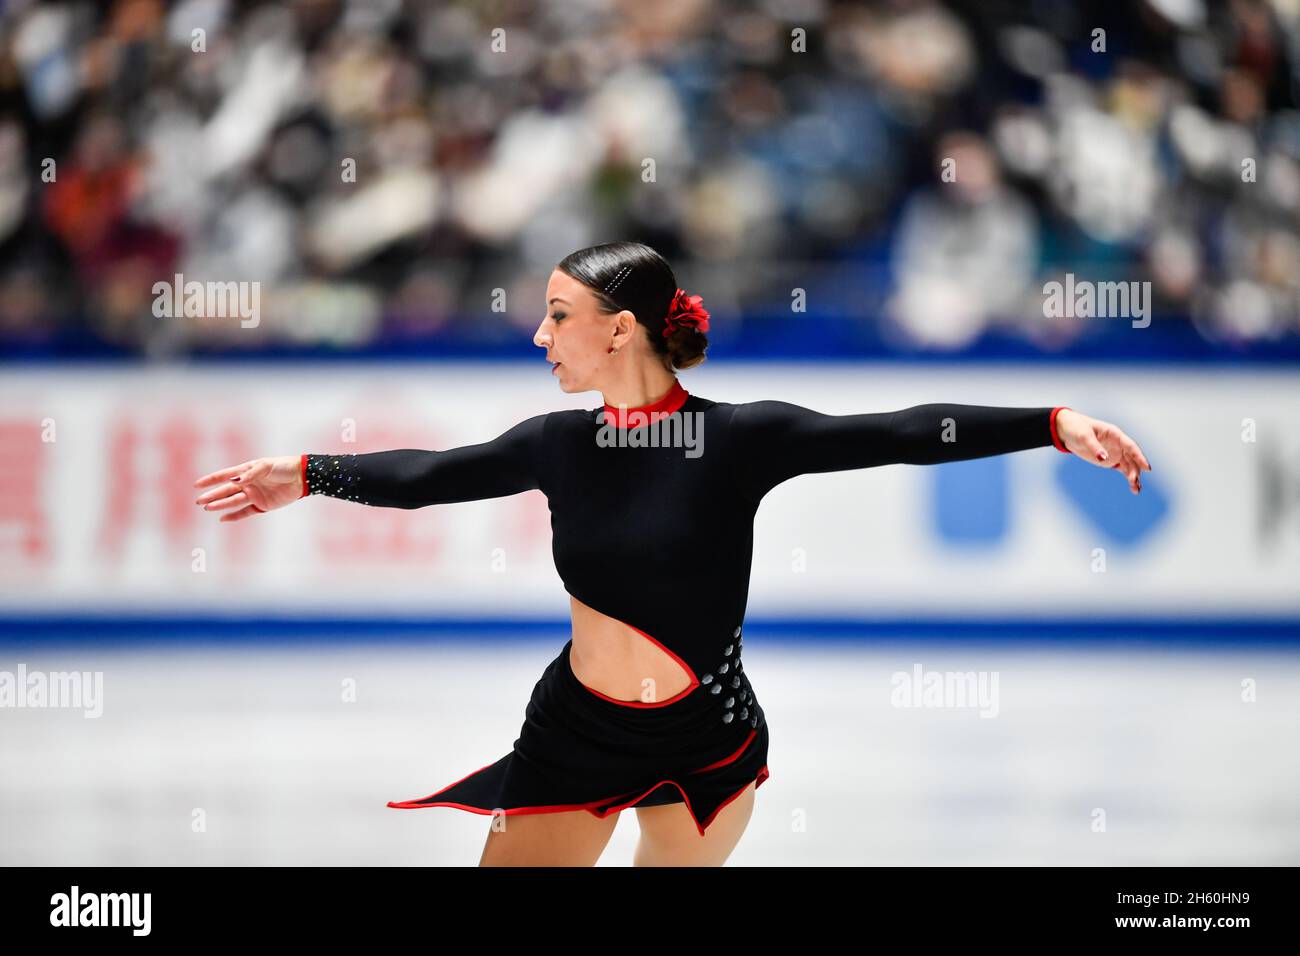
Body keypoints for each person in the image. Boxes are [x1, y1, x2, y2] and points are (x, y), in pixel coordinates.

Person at [193, 240, 1151, 866]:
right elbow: (432, 473)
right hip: (576, 736)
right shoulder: (556, 444)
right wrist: (310, 472)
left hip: (708, 736)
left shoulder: (743, 437)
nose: (539, 334)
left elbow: (902, 428)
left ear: (619, 329)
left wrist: (1054, 422)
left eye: (557, 315)